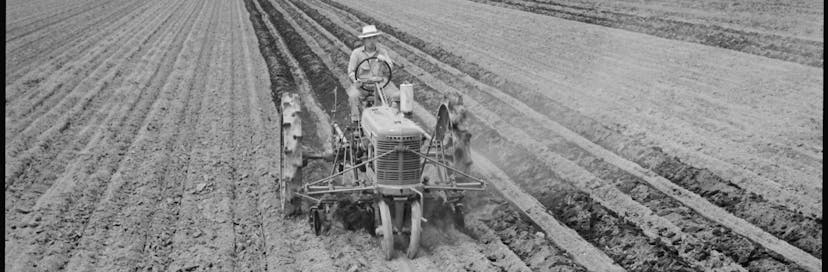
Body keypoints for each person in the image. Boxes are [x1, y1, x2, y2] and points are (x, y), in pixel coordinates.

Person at [347, 25, 398, 123]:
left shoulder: (382, 52)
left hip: (381, 85)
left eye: (374, 38)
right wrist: (355, 80)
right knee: (353, 95)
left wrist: (384, 62)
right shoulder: (356, 53)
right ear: (364, 40)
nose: (371, 41)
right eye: (369, 38)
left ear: (377, 39)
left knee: (396, 95)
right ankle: (356, 123)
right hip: (363, 86)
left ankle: (394, 120)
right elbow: (351, 71)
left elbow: (390, 68)